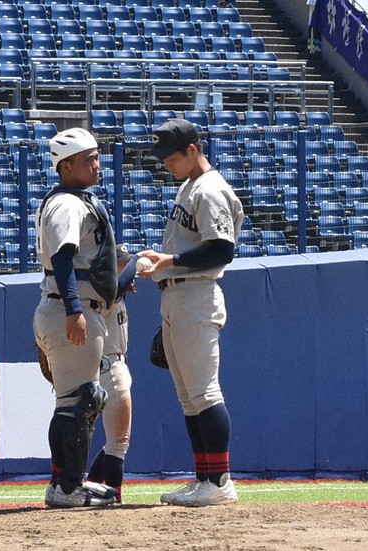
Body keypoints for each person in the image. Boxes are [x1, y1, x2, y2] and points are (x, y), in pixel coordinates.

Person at [136, 118, 244, 507]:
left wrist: (171, 261)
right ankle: (205, 478)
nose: (166, 163)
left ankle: (219, 481)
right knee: (189, 398)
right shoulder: (189, 185)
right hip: (177, 295)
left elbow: (221, 249)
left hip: (196, 295)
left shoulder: (211, 190)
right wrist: (164, 263)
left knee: (204, 392)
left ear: (193, 151)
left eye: (171, 156)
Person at [33, 127, 119, 508]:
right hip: (71, 308)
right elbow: (64, 258)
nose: (97, 164)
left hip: (76, 305)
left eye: (97, 156)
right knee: (78, 402)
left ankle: (64, 484)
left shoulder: (74, 199)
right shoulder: (67, 203)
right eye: (89, 159)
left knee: (78, 401)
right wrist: (74, 310)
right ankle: (68, 488)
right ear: (66, 167)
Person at [86, 245, 139, 504]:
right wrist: (138, 261)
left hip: (112, 366)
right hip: (110, 367)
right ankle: (114, 497)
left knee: (113, 442)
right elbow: (119, 283)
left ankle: (92, 486)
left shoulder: (112, 290)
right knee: (119, 442)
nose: (126, 267)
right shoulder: (103, 287)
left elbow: (122, 285)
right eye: (122, 263)